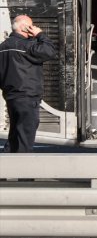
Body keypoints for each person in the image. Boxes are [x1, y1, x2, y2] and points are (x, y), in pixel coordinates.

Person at [0, 15, 58, 153]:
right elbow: (49, 51)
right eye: (31, 26)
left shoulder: (2, 47)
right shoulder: (28, 46)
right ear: (24, 27)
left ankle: (5, 170)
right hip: (27, 97)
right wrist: (40, 34)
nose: (33, 28)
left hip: (11, 97)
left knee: (15, 136)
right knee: (25, 138)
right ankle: (24, 172)